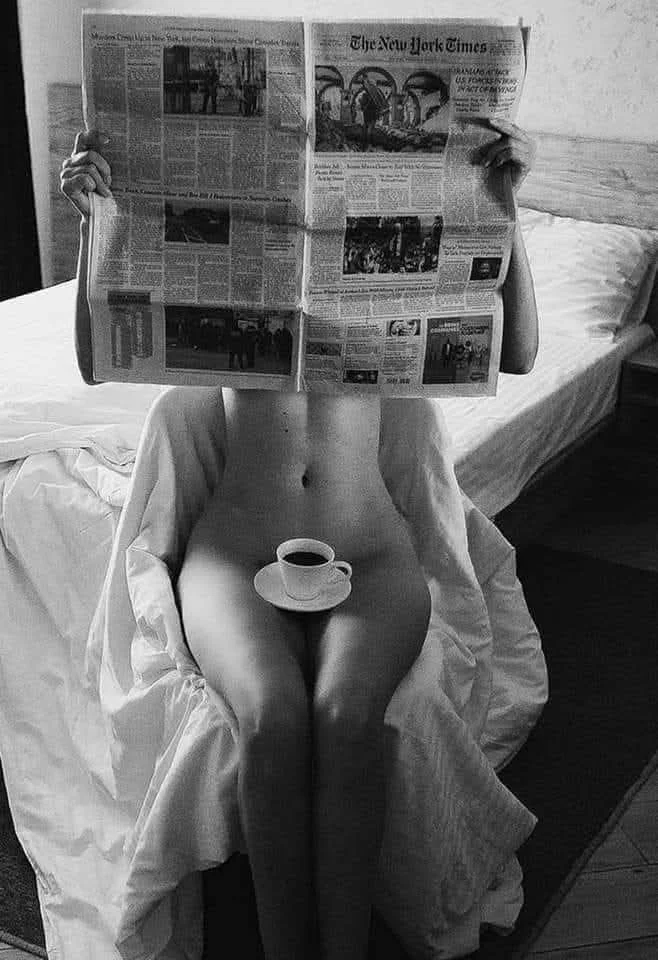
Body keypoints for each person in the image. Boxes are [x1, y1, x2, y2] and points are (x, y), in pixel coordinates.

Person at [60, 117, 537, 960]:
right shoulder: (225, 259)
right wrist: (93, 223)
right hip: (236, 553)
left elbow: (522, 351)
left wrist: (505, 209)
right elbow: (99, 358)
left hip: (370, 552)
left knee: (347, 715)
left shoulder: (396, 265)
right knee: (272, 717)